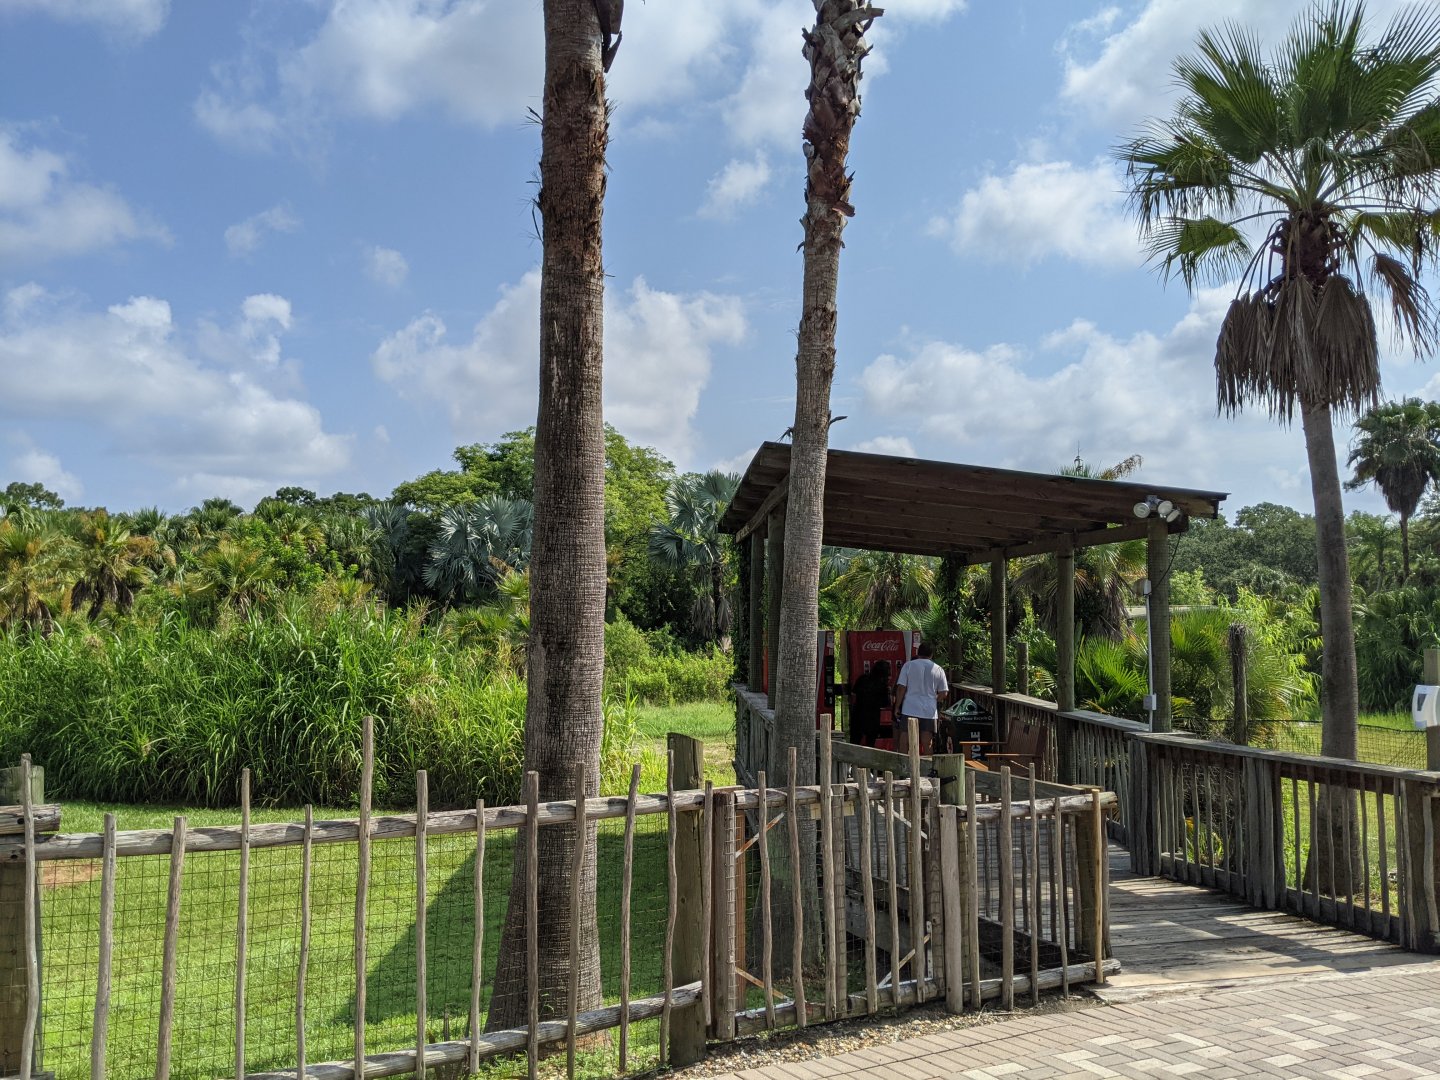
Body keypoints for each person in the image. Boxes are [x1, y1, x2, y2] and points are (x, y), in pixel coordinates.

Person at [894, 641, 948, 756]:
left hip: (909, 708)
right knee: (927, 741)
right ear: (931, 654)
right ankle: (927, 770)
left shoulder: (908, 665)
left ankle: (903, 767)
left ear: (918, 653)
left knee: (905, 739)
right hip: (929, 709)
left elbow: (901, 688)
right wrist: (934, 700)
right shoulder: (938, 669)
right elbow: (944, 693)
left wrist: (897, 706)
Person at [848, 659, 890, 747]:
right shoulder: (882, 685)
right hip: (872, 716)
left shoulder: (862, 678)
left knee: (855, 742)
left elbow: (853, 693)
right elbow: (885, 703)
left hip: (858, 713)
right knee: (870, 743)